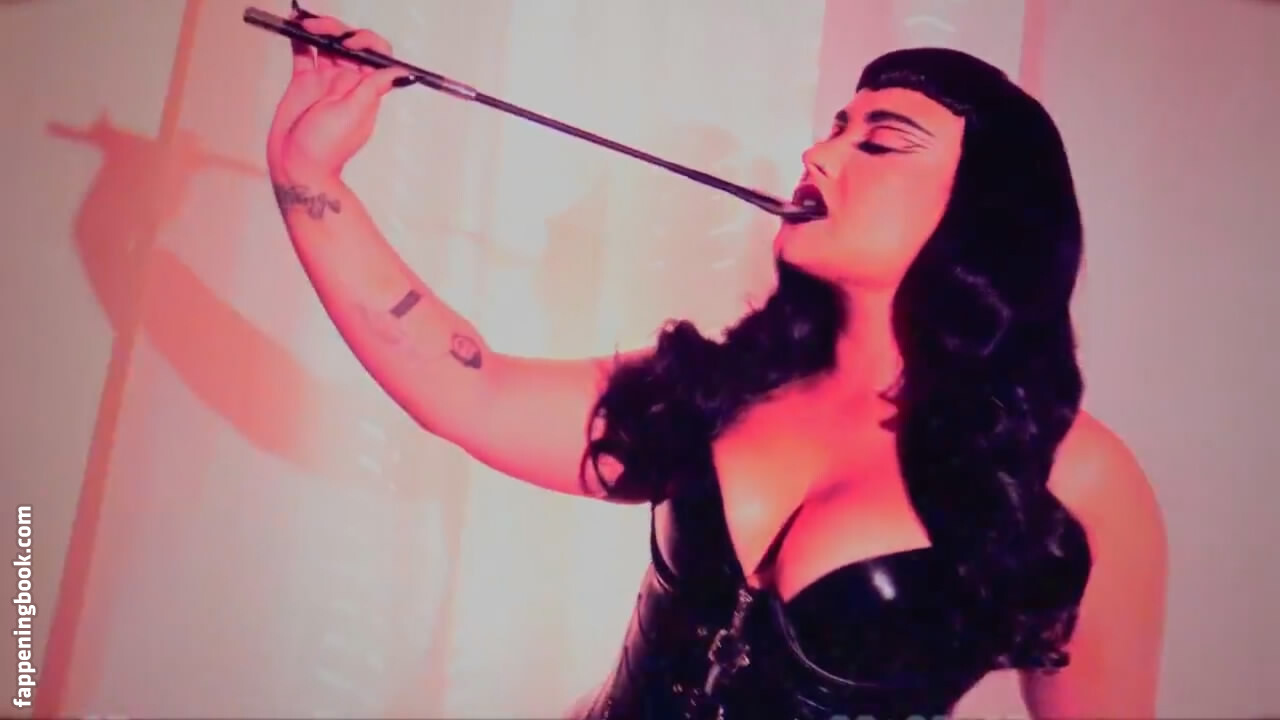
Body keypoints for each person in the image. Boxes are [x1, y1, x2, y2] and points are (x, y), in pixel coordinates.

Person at [266, 11, 1167, 719]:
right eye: (836, 126)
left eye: (880, 140)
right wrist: (309, 171)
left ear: (983, 210)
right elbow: (472, 389)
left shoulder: (1072, 473)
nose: (818, 153)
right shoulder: (731, 386)